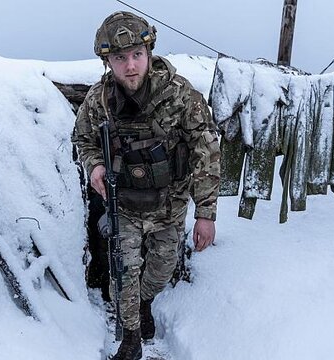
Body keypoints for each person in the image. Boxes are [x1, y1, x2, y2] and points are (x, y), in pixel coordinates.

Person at [72, 11, 221, 360]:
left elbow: (207, 149)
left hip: (169, 205)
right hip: (123, 202)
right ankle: (131, 338)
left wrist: (206, 213)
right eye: (120, 58)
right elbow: (83, 138)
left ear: (149, 52)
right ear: (107, 61)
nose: (130, 65)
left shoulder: (180, 95)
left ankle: (145, 302)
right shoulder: (100, 100)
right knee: (123, 272)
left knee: (160, 269)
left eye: (137, 54)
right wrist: (94, 165)